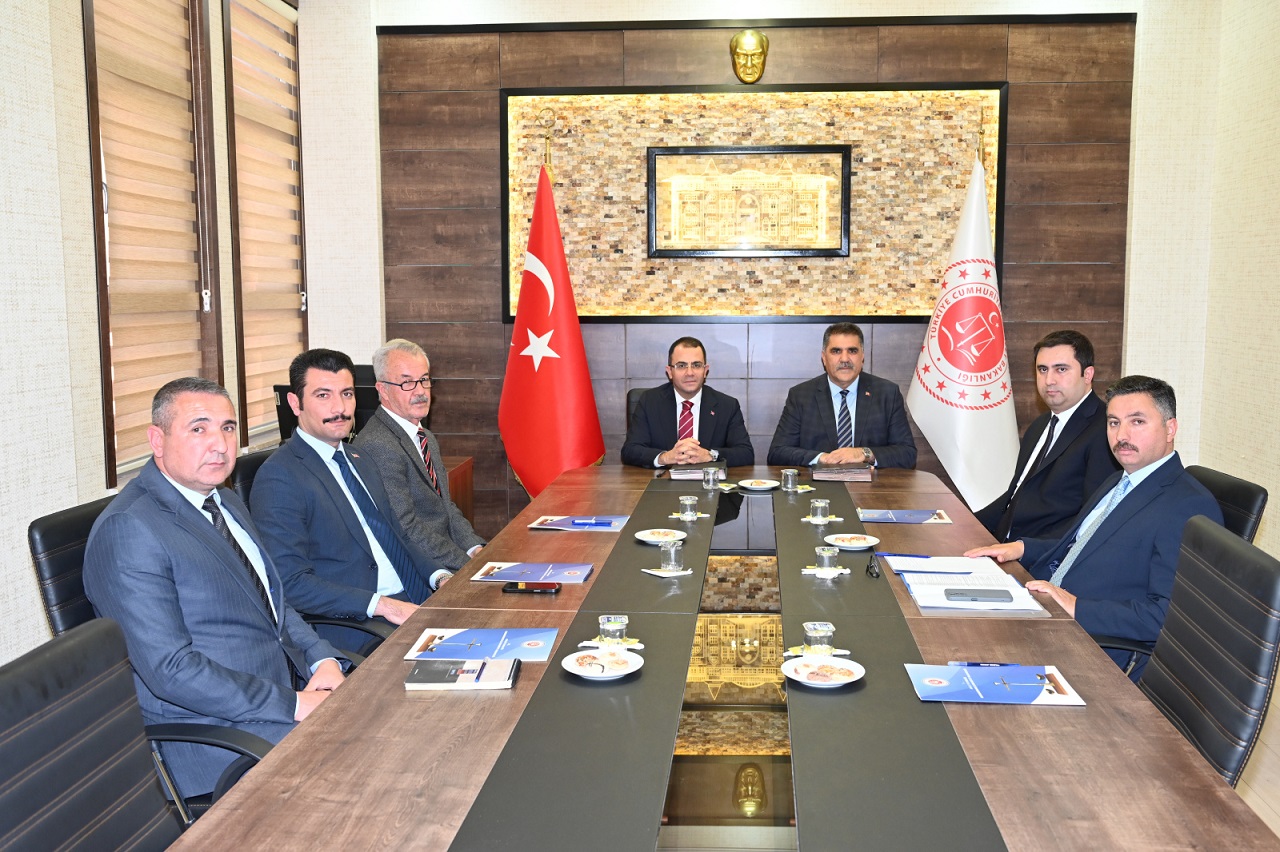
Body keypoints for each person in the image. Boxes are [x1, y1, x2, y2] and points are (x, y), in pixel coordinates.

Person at [83, 377, 346, 796]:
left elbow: (272, 602)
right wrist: (294, 704)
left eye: (227, 427)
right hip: (219, 739)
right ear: (157, 440)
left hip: (279, 697)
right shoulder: (129, 530)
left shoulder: (223, 500)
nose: (220, 445)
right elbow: (172, 671)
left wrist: (321, 659)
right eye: (198, 429)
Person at [964, 376, 1222, 680]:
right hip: (1044, 610)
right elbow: (1082, 546)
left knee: (965, 654)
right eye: (1113, 423)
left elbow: (1167, 617)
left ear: (1170, 428)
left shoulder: (1187, 505)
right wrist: (1022, 547)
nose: (1121, 435)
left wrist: (1076, 607)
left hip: (1090, 647)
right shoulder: (1119, 480)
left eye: (1137, 422)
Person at [251, 349, 450, 649]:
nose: (340, 408)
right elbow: (290, 583)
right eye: (323, 395)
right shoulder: (280, 477)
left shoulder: (360, 458)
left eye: (347, 394)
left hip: (416, 599)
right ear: (295, 403)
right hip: (364, 625)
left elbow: (398, 538)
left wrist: (440, 577)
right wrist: (382, 605)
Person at [974, 330, 1119, 541]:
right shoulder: (1039, 425)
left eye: (1061, 369)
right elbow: (1016, 496)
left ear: (1087, 375)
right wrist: (963, 522)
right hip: (1002, 544)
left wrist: (1023, 550)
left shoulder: (1106, 430)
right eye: (1042, 370)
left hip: (1043, 554)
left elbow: (1091, 519)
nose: (1049, 380)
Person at [354, 339, 485, 572]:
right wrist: (467, 565)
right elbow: (407, 528)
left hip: (446, 556)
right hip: (421, 569)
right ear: (383, 390)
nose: (420, 391)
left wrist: (474, 548)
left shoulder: (425, 437)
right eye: (407, 382)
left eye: (424, 380)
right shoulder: (378, 444)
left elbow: (446, 507)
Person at [767, 322, 916, 469]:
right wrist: (823, 458)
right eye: (836, 351)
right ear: (824, 357)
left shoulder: (887, 394)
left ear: (862, 356)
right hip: (817, 484)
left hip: (872, 484)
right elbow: (777, 453)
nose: (845, 359)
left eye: (852, 351)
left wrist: (864, 454)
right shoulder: (801, 396)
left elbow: (907, 454)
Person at [621, 336, 754, 468]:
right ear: (670, 372)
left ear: (705, 371)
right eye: (681, 366)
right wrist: (665, 457)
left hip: (708, 479)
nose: (689, 372)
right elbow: (630, 450)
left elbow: (746, 453)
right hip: (663, 479)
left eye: (696, 365)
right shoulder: (649, 401)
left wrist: (710, 455)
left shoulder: (727, 406)